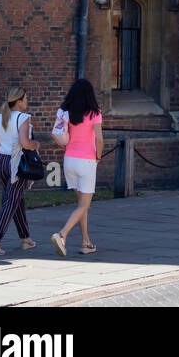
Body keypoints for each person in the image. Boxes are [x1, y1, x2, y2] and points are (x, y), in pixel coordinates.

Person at [0, 85, 39, 255]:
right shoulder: (23, 118)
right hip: (16, 162)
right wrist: (36, 144)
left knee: (16, 199)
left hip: (2, 162)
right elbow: (25, 143)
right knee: (11, 201)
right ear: (19, 102)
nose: (27, 102)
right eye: (25, 99)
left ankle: (26, 239)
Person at [51, 78, 103, 257]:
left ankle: (85, 242)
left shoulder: (68, 112)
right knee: (84, 205)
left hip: (69, 160)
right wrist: (98, 156)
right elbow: (99, 139)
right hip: (86, 161)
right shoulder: (94, 112)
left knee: (82, 205)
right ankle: (62, 234)